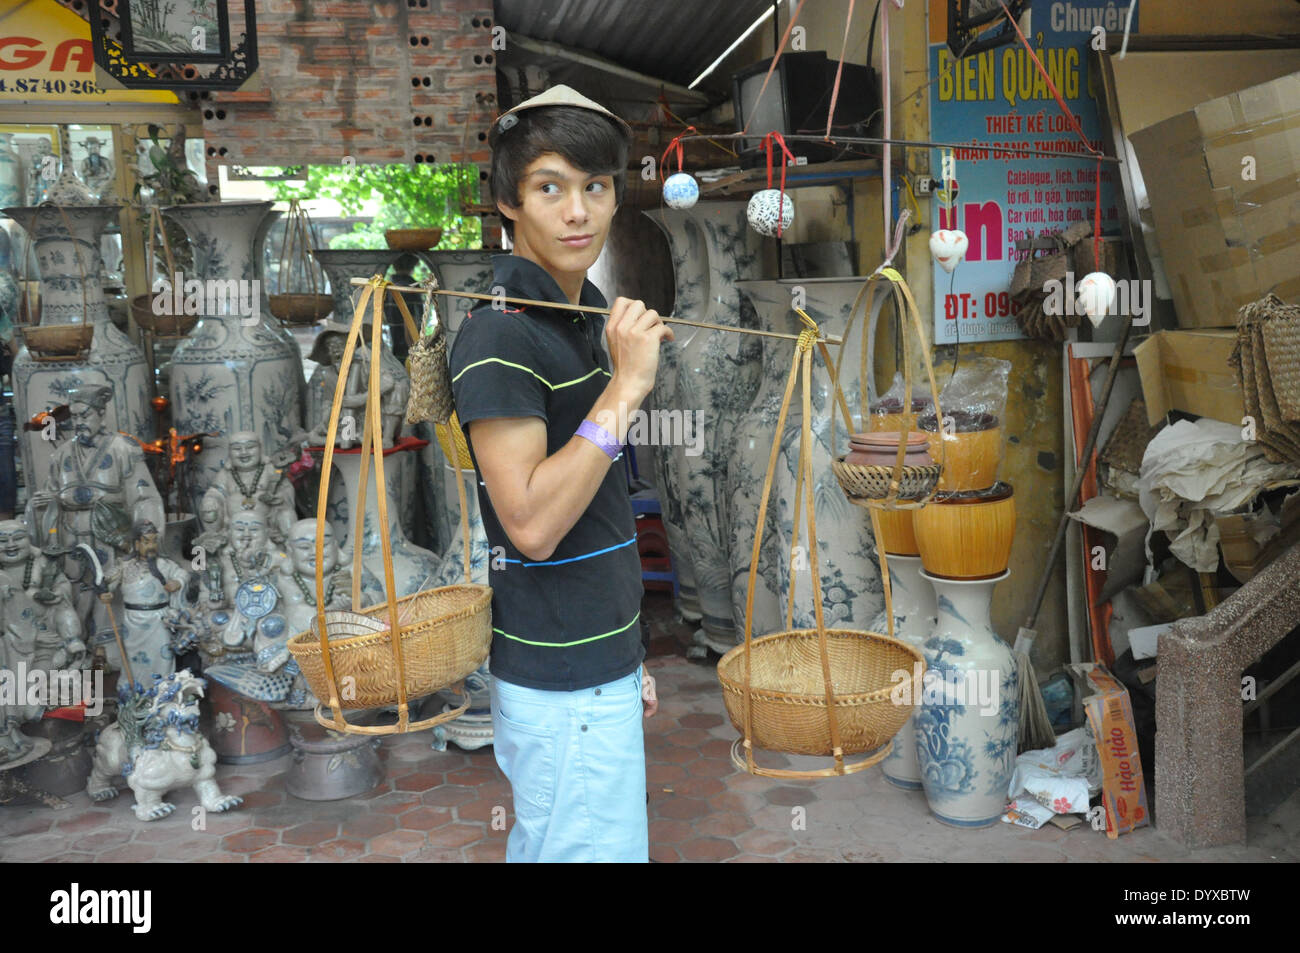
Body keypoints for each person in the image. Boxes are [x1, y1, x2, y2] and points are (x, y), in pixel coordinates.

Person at [448, 85, 672, 863]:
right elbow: (534, 525)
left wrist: (629, 651)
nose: (577, 211)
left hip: (595, 664)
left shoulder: (585, 314)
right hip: (561, 682)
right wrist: (628, 386)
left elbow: (598, 501)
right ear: (509, 200)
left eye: (595, 187)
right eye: (550, 187)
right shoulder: (497, 335)